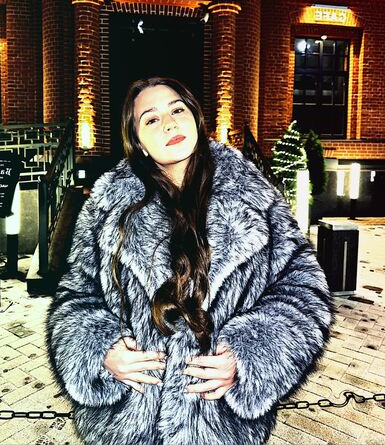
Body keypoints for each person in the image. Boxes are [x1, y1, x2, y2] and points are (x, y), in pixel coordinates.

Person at [46, 76, 333, 445]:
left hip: (220, 425)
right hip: (126, 423)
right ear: (139, 142)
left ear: (195, 119)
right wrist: (99, 350)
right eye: (151, 119)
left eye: (177, 110)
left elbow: (304, 291)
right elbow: (75, 295)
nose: (169, 124)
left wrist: (251, 356)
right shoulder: (106, 208)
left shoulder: (256, 198)